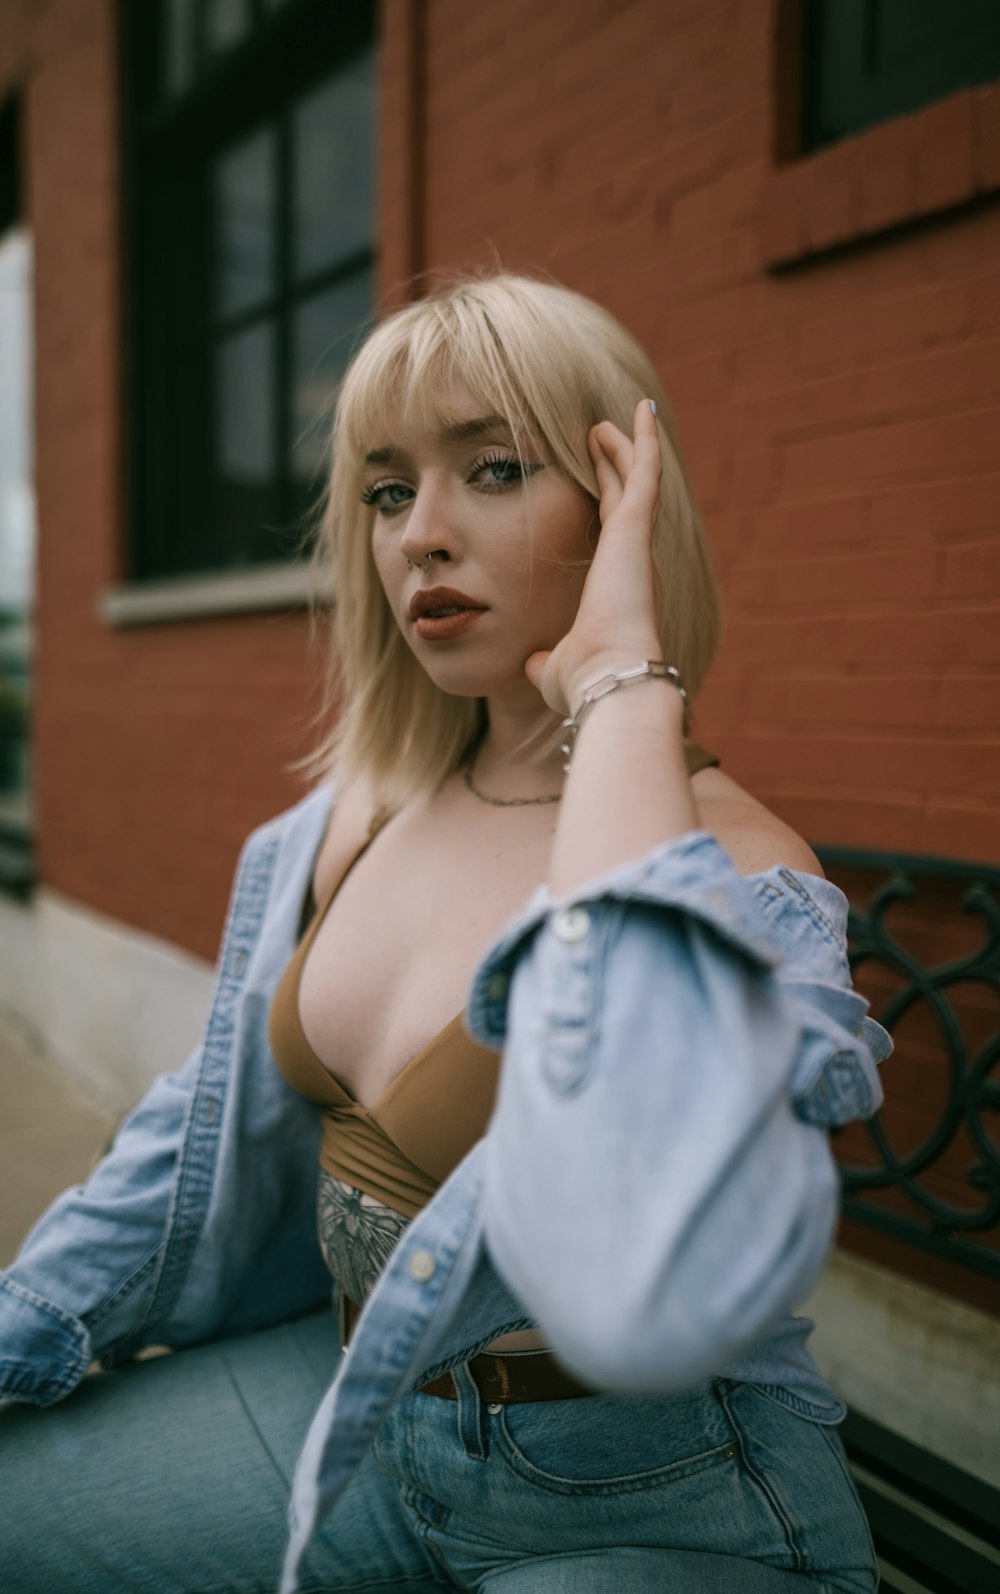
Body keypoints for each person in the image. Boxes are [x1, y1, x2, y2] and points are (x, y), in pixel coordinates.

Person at [0, 272, 890, 1594]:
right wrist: (22, 1325)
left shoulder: (744, 873)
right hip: (364, 1400)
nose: (422, 532)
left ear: (619, 504)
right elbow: (194, 1132)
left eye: (492, 467)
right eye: (387, 490)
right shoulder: (354, 817)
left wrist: (618, 683)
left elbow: (634, 1247)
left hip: (649, 1495)